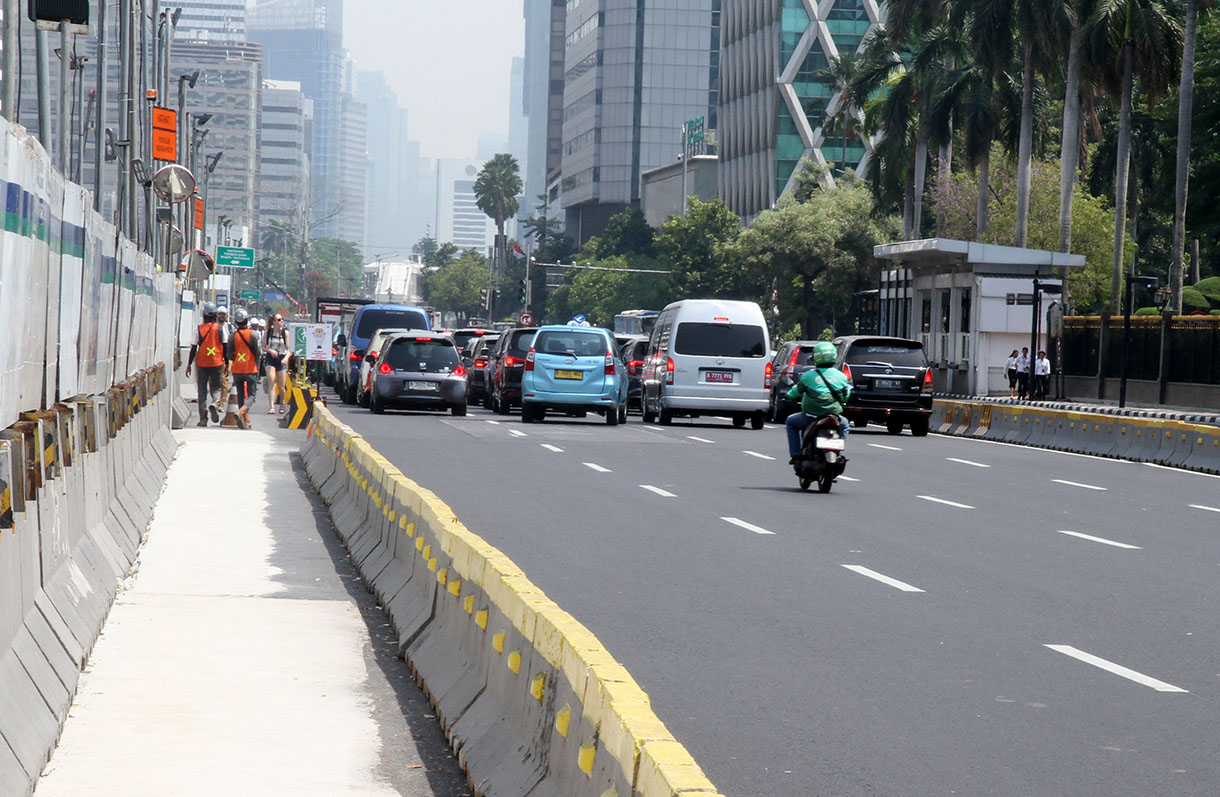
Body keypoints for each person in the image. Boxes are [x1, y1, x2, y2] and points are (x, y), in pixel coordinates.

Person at [785, 341, 852, 465]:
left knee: (791, 422)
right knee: (846, 425)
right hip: (834, 416)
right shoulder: (841, 377)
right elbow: (845, 397)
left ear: (816, 357)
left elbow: (795, 392)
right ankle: (839, 454)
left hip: (811, 417)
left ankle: (795, 455)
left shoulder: (808, 376)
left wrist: (788, 396)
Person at [185, 302, 228, 426]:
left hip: (202, 363)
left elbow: (193, 348)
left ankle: (203, 419)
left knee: (202, 390)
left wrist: (188, 364)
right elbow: (225, 347)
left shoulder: (198, 329)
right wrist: (226, 363)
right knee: (217, 387)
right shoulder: (221, 328)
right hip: (217, 362)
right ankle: (215, 402)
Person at [229, 308, 261, 428]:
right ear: (247, 320)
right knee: (252, 395)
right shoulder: (253, 335)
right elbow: (258, 352)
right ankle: (241, 412)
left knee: (241, 395)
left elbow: (229, 355)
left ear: (236, 322)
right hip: (250, 368)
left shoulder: (233, 336)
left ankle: (245, 421)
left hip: (237, 369)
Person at [263, 313, 291, 414]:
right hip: (271, 358)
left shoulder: (285, 333)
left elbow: (289, 349)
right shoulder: (268, 332)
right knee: (271, 381)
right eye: (279, 320)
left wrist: (286, 358)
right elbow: (264, 347)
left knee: (281, 386)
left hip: (282, 357)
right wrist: (270, 351)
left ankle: (282, 403)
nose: (281, 321)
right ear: (274, 322)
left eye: (282, 319)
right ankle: (271, 406)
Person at [212, 305, 234, 419]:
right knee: (213, 381)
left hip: (227, 357)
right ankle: (215, 401)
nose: (221, 316)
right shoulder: (213, 327)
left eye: (223, 314)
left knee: (224, 381)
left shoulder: (229, 327)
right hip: (214, 356)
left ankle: (222, 404)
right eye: (220, 313)